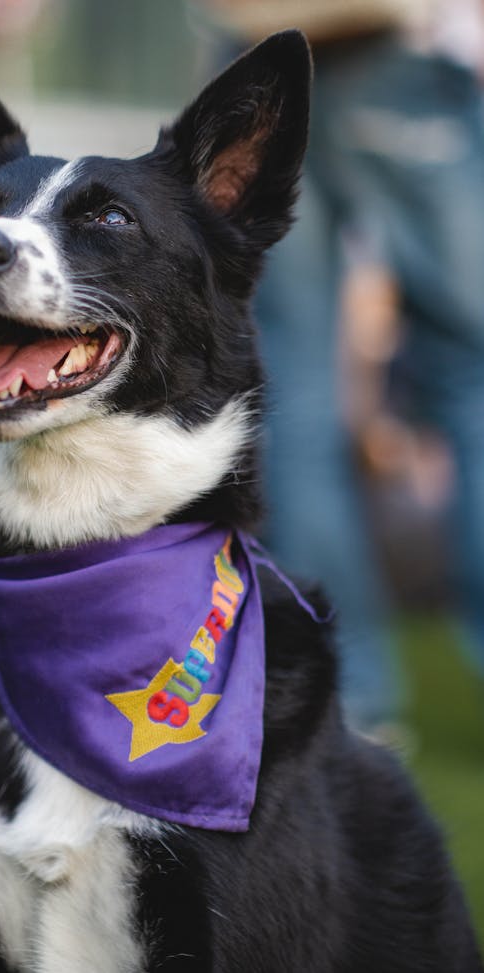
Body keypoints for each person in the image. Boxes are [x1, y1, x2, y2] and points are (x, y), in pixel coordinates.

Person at [198, 0, 484, 729]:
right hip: (376, 51)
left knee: (293, 392)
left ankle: (352, 694)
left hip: (252, 65)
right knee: (475, 379)